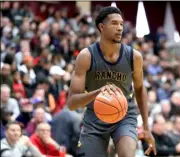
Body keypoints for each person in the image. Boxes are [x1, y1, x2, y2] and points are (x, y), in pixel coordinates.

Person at [67, 6, 156, 157]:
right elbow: (72, 103)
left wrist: (146, 127)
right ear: (102, 27)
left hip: (124, 114)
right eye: (114, 23)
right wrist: (98, 93)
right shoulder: (86, 56)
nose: (120, 28)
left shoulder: (134, 56)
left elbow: (140, 90)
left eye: (121, 24)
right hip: (94, 115)